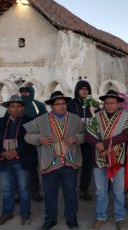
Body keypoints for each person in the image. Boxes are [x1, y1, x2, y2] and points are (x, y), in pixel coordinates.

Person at [24, 91, 84, 230]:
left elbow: (84, 135)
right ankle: (50, 219)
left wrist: (76, 138)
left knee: (70, 192)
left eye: (63, 103)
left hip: (70, 162)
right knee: (50, 194)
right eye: (57, 104)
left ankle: (71, 219)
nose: (61, 106)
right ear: (51, 106)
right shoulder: (41, 119)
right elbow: (27, 136)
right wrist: (39, 139)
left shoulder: (75, 118)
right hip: (49, 163)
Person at [86, 90, 128, 230]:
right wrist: (98, 145)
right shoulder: (96, 116)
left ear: (118, 103)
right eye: (106, 103)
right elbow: (89, 134)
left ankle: (120, 217)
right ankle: (101, 216)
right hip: (99, 157)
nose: (109, 105)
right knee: (101, 190)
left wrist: (105, 144)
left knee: (119, 190)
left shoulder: (126, 117)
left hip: (118, 158)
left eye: (112, 103)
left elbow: (125, 135)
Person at [0, 95, 33, 226]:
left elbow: (31, 141)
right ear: (8, 109)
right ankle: (7, 213)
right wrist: (2, 152)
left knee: (24, 189)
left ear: (23, 108)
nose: (16, 109)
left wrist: (17, 152)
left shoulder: (30, 122)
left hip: (22, 160)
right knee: (7, 189)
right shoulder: (1, 122)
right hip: (4, 159)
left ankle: (25, 214)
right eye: (12, 106)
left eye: (19, 106)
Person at [68, 80, 96, 201]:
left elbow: (98, 117)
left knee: (87, 165)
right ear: (77, 90)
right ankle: (71, 188)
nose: (84, 91)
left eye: (86, 89)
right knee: (73, 164)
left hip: (89, 138)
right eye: (82, 89)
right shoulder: (71, 103)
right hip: (74, 138)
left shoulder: (92, 103)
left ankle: (83, 189)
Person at [19, 85, 47, 202]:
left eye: (27, 92)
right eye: (23, 92)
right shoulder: (16, 104)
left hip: (33, 140)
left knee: (32, 167)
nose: (24, 94)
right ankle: (19, 192)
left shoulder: (38, 105)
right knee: (18, 167)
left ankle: (35, 190)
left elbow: (44, 121)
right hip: (18, 140)